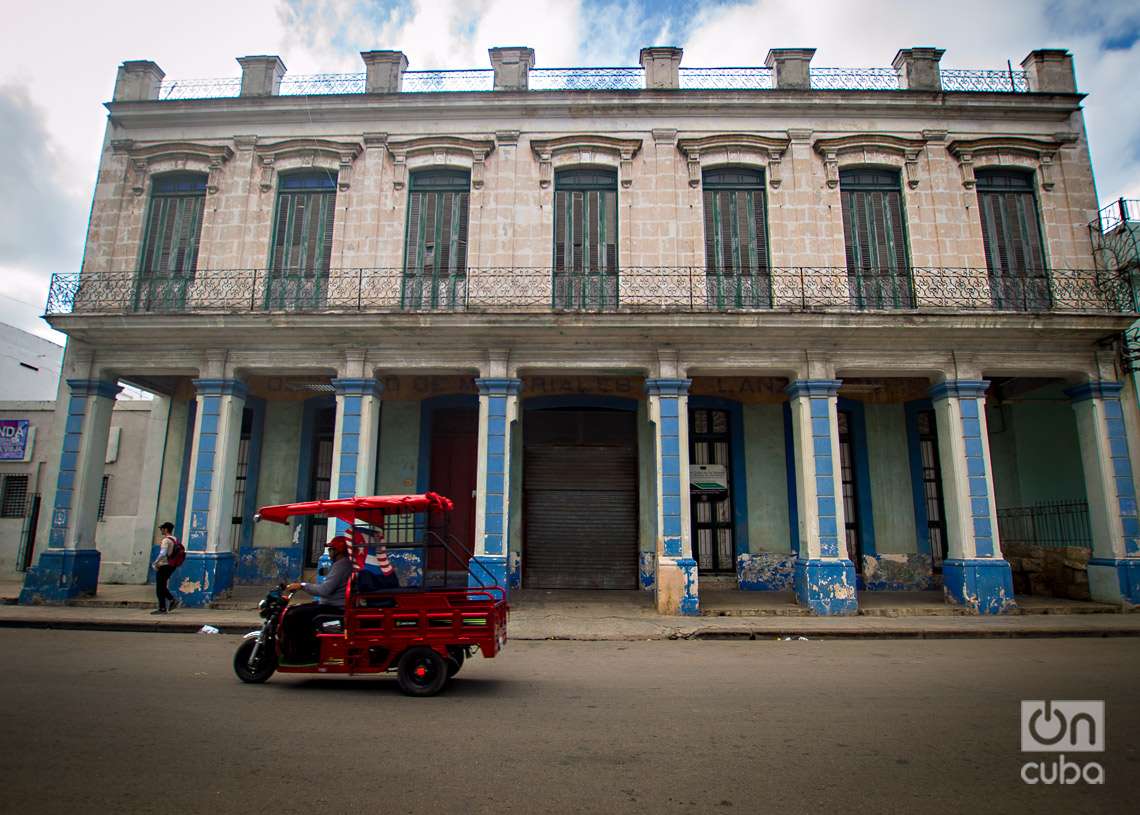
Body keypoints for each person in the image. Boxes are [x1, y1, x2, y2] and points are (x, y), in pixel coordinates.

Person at [282, 535, 352, 662]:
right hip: (331, 605)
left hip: (334, 608)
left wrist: (302, 585)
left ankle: (302, 653)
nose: (329, 553)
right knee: (297, 610)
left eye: (331, 550)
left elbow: (324, 590)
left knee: (294, 615)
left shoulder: (341, 566)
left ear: (338, 551)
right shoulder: (343, 564)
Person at [152, 522, 180, 615]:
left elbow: (163, 553)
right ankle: (171, 600)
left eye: (162, 529)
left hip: (164, 565)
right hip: (171, 565)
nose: (161, 530)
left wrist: (156, 562)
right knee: (162, 586)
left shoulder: (166, 540)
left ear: (166, 529)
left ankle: (162, 608)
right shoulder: (174, 539)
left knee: (159, 588)